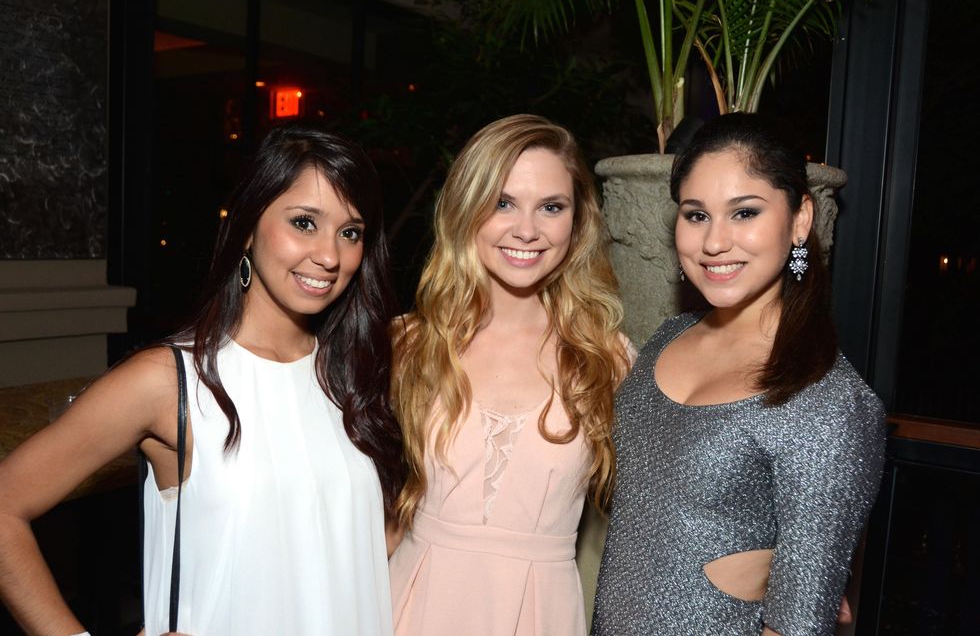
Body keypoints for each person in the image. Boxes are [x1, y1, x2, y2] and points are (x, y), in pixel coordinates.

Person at [0, 122, 404, 636]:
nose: (330, 256)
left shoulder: (355, 375)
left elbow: (365, 545)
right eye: (304, 222)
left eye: (350, 232)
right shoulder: (169, 379)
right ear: (246, 227)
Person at [591, 113, 886, 635]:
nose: (714, 242)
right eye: (696, 215)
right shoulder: (667, 337)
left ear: (800, 220)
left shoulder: (828, 399)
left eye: (744, 212)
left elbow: (798, 622)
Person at [387, 114, 632, 636]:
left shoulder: (606, 358)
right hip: (406, 608)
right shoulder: (408, 344)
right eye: (502, 203)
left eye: (551, 207)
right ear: (466, 209)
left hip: (541, 616)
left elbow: (678, 497)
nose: (527, 229)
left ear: (578, 219)